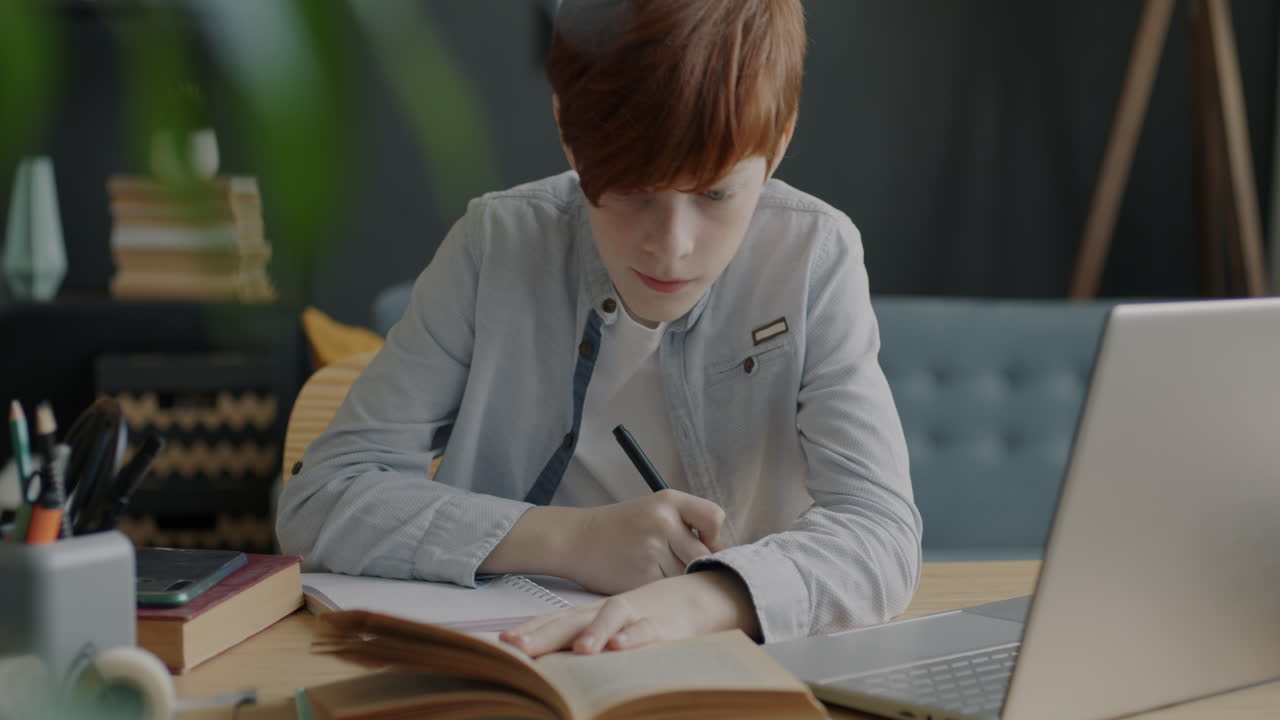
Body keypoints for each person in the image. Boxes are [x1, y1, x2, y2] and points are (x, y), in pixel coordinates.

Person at [277, 0, 921, 658]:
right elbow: (318, 501)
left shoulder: (812, 258)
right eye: (633, 190)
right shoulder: (495, 246)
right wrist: (572, 541)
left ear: (779, 141)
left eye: (715, 195)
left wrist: (711, 597)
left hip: (735, 672)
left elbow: (880, 534)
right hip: (511, 667)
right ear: (568, 132)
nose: (671, 247)